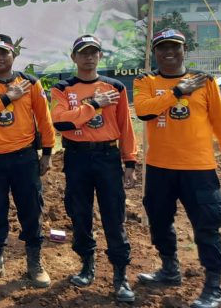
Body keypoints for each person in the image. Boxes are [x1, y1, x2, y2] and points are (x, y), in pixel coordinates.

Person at [134, 29, 221, 308]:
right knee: (159, 221)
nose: (168, 52)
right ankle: (169, 269)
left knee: (207, 226)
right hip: (159, 168)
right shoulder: (146, 80)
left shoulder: (205, 82)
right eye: (162, 47)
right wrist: (178, 91)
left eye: (174, 47)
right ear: (155, 52)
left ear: (185, 49)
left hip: (198, 169)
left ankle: (214, 287)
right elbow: (144, 111)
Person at [50, 35, 137, 302]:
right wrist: (94, 105)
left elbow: (125, 126)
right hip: (76, 158)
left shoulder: (115, 87)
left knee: (114, 214)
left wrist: (130, 161)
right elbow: (61, 122)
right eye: (83, 52)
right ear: (73, 57)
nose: (89, 57)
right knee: (79, 212)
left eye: (94, 52)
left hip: (107, 156)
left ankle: (120, 275)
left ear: (100, 56)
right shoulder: (63, 88)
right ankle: (87, 264)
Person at [0, 34, 55, 288]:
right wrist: (8, 97)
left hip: (24, 158)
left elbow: (45, 120)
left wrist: (47, 153)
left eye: (4, 53)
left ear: (13, 56)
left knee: (31, 209)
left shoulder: (30, 83)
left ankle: (34, 263)